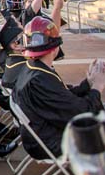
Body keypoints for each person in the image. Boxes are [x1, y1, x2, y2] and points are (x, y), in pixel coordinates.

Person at [14, 16, 105, 159]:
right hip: (51, 142)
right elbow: (82, 114)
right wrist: (98, 87)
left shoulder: (32, 69)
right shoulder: (39, 80)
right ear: (55, 48)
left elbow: (63, 97)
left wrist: (88, 83)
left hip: (42, 135)